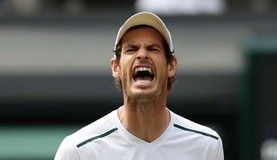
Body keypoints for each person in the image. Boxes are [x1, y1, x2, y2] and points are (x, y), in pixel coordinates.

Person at [54, 11, 224, 159]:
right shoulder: (78, 150)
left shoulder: (207, 145)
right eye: (131, 49)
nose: (142, 54)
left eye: (153, 48)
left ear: (171, 66)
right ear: (116, 67)